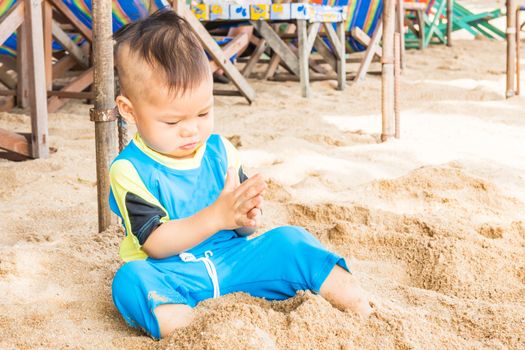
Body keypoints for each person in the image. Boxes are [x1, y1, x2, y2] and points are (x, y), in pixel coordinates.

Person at [109, 9, 373, 340]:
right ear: (129, 110)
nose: (191, 130)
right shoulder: (130, 170)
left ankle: (358, 305)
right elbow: (156, 245)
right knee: (130, 281)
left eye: (203, 112)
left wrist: (246, 216)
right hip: (173, 274)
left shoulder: (221, 151)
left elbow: (245, 230)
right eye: (173, 122)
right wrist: (217, 217)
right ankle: (193, 331)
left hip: (234, 262)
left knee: (290, 239)